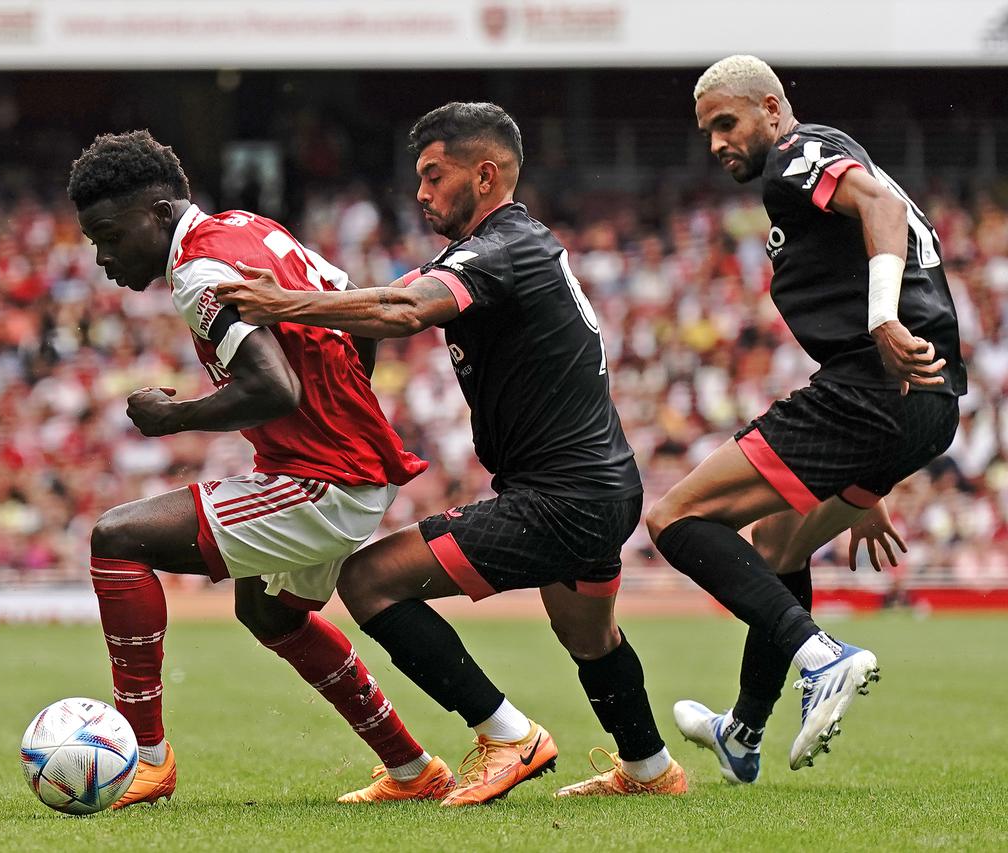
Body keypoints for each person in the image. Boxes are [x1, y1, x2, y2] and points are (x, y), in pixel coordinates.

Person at [218, 101, 688, 805]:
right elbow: (392, 297)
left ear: (486, 173)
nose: (422, 192)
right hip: (597, 485)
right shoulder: (499, 249)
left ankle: (508, 734)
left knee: (371, 579)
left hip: (565, 495)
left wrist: (280, 304)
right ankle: (651, 770)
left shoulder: (503, 248)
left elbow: (403, 312)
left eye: (435, 175)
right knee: (588, 634)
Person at [66, 130, 454, 808]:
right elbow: (356, 307)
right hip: (345, 465)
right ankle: (412, 768)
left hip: (323, 479)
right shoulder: (247, 228)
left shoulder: (195, 271)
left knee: (116, 538)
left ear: (158, 212)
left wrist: (174, 416)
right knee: (269, 613)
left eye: (108, 234)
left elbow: (276, 389)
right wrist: (343, 407)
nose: (103, 257)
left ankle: (146, 756)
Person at [648, 55, 966, 782]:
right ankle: (743, 731)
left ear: (769, 107)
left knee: (675, 518)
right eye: (707, 132)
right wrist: (871, 476)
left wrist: (882, 317)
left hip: (872, 386)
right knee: (778, 543)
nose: (717, 142)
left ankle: (821, 654)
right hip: (925, 407)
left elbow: (880, 205)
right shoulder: (808, 171)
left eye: (726, 123)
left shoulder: (794, 154)